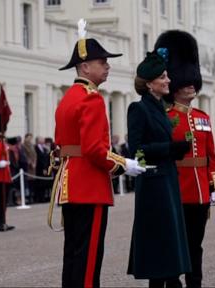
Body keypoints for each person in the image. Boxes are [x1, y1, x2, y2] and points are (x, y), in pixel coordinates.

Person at [54, 19, 145, 288]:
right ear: (84, 66)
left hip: (71, 184)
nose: (107, 66)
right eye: (101, 62)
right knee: (89, 257)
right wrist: (123, 164)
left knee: (73, 253)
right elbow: (95, 150)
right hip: (89, 185)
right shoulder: (91, 98)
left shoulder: (69, 97)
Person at [155, 30, 215, 288]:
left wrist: (214, 186)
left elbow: (211, 157)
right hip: (177, 191)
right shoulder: (166, 116)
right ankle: (173, 283)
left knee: (196, 245)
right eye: (186, 81)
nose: (192, 85)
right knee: (174, 244)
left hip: (200, 194)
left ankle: (195, 283)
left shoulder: (203, 117)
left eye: (193, 81)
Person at [127, 49, 192, 287]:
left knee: (169, 247)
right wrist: (168, 149)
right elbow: (136, 151)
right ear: (149, 83)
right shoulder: (139, 109)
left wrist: (176, 149)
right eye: (163, 77)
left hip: (167, 182)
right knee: (160, 251)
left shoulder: (160, 109)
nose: (168, 81)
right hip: (153, 187)